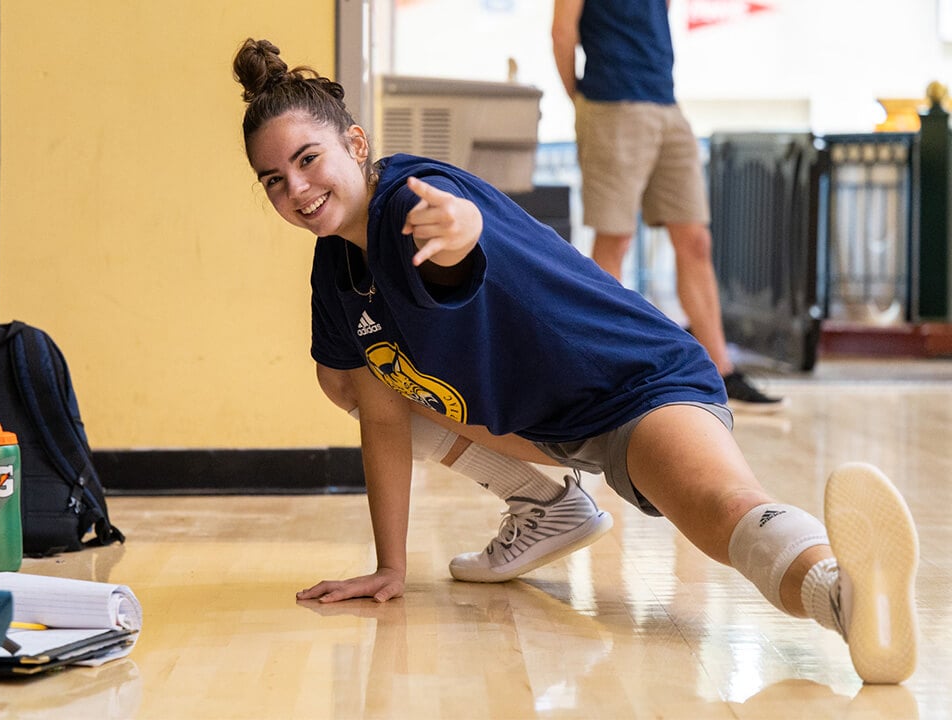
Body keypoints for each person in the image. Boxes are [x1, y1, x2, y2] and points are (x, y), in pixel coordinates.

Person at [230, 38, 919, 684]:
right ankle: (542, 504)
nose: (295, 188)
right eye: (273, 179)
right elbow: (381, 416)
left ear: (355, 142)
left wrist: (462, 234)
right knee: (347, 381)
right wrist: (390, 567)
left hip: (636, 387)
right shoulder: (334, 270)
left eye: (308, 159)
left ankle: (846, 597)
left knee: (721, 508)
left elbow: (456, 243)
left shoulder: (412, 199)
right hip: (553, 423)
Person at [551, 0, 784, 413]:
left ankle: (720, 370)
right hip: (610, 102)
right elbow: (562, 32)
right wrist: (580, 101)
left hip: (666, 102)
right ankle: (605, 369)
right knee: (616, 240)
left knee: (695, 241)